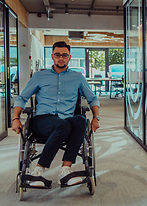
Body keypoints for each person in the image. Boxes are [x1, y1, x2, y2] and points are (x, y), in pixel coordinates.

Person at [12, 41, 100, 187]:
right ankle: (39, 170)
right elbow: (22, 97)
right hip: (43, 120)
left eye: (64, 55)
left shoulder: (78, 77)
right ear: (52, 56)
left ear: (69, 57)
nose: (61, 58)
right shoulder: (40, 76)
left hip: (66, 120)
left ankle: (65, 170)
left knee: (80, 121)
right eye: (58, 55)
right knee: (64, 125)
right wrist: (16, 118)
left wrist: (96, 117)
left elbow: (92, 98)